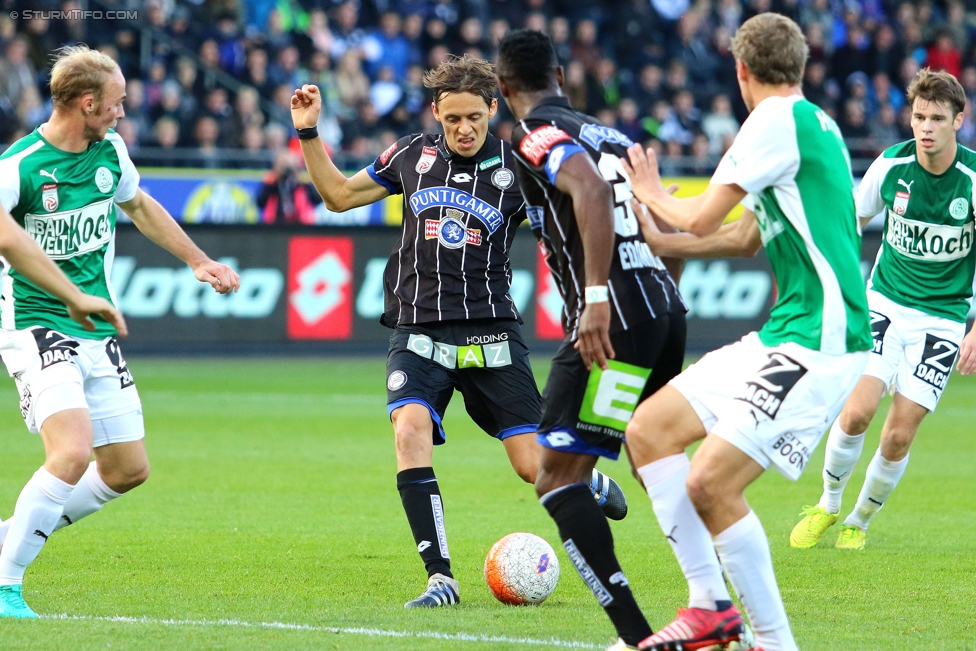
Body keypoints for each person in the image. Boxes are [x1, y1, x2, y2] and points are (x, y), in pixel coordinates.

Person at [290, 54, 629, 609]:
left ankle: (585, 480)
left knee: (533, 470)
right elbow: (337, 197)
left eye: (475, 116)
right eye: (452, 120)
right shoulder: (409, 156)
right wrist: (308, 132)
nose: (464, 129)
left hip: (491, 332)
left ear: (494, 109)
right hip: (418, 329)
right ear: (437, 115)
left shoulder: (520, 165)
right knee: (409, 429)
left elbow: (577, 220)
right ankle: (440, 578)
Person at [620, 13, 872, 651]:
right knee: (649, 431)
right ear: (802, 64)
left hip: (822, 339)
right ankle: (709, 606)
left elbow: (705, 216)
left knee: (710, 482)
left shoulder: (773, 122)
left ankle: (775, 642)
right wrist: (661, 238)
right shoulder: (815, 125)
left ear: (740, 71)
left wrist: (648, 192)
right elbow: (741, 235)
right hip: (785, 333)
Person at [0, 45, 240, 619]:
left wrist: (197, 261)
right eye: (117, 103)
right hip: (37, 323)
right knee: (71, 452)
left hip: (92, 327)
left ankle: (9, 534)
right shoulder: (21, 165)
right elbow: (7, 239)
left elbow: (140, 205)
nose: (123, 113)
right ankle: (7, 583)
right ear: (87, 103)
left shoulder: (109, 150)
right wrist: (75, 295)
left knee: (127, 469)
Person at [495, 30, 687, 650]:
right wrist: (658, 297)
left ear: (502, 89)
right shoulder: (613, 135)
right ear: (560, 72)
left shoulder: (536, 135)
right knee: (656, 457)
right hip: (661, 308)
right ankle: (710, 606)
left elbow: (591, 190)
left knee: (556, 479)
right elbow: (660, 220)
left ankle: (635, 637)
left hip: (613, 326)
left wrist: (599, 298)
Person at [790, 68, 976, 552]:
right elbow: (851, 219)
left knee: (897, 436)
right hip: (885, 302)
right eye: (919, 116)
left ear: (960, 119)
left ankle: (859, 520)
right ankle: (828, 505)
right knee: (855, 413)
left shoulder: (972, 182)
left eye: (937, 118)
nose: (926, 127)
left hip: (944, 317)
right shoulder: (891, 166)